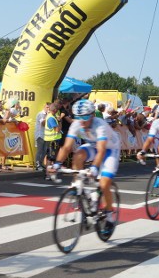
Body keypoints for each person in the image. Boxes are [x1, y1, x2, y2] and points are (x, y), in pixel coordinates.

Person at [49, 99, 121, 235]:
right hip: (93, 146)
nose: (82, 121)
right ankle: (78, 185)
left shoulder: (100, 125)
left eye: (86, 117)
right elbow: (66, 147)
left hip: (109, 149)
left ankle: (110, 216)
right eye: (78, 117)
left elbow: (101, 150)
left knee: (104, 182)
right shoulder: (76, 124)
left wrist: (94, 167)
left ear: (93, 115)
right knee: (78, 155)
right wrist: (57, 164)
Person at [34, 103, 49, 171]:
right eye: (47, 107)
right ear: (44, 107)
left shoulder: (49, 115)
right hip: (40, 134)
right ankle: (37, 164)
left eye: (49, 107)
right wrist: (47, 116)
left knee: (45, 150)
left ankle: (41, 163)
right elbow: (43, 123)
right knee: (40, 150)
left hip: (47, 135)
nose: (48, 109)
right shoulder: (40, 114)